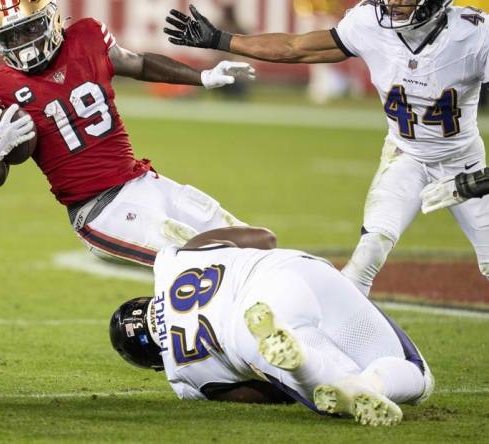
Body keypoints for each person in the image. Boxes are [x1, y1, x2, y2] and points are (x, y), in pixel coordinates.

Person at [163, 1, 489, 293]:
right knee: (367, 256)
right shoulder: (369, 22)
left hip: (464, 162)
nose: (392, 3)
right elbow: (296, 47)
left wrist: (483, 178)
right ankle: (340, 345)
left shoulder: (473, 33)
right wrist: (222, 40)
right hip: (406, 157)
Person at [0, 0, 265, 267]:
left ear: (50, 20)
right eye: (12, 36)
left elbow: (139, 63)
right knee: (202, 258)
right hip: (100, 212)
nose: (22, 44)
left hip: (142, 182)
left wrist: (203, 77)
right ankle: (154, 325)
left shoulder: (86, 36)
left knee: (256, 244)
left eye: (27, 30)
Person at [109, 227, 434, 426]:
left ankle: (305, 362)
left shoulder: (181, 376)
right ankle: (371, 385)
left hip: (244, 335)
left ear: (151, 359)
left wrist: (279, 379)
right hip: (286, 275)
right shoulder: (171, 264)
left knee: (334, 392)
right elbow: (265, 238)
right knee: (414, 372)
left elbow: (258, 394)